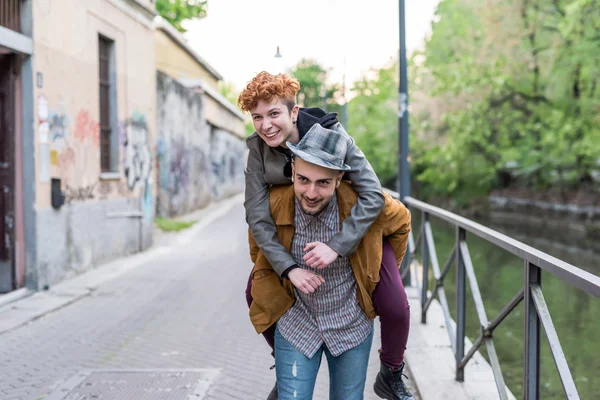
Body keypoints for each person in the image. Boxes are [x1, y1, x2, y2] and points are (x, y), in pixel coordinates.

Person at [239, 71, 414, 400]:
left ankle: (391, 371)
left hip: (360, 225)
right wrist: (289, 268)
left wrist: (338, 246)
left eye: (273, 114)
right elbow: (257, 217)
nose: (265, 126)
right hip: (298, 229)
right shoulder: (258, 150)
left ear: (293, 112)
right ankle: (286, 358)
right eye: (257, 117)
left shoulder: (333, 135)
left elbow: (374, 198)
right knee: (255, 292)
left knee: (394, 304)